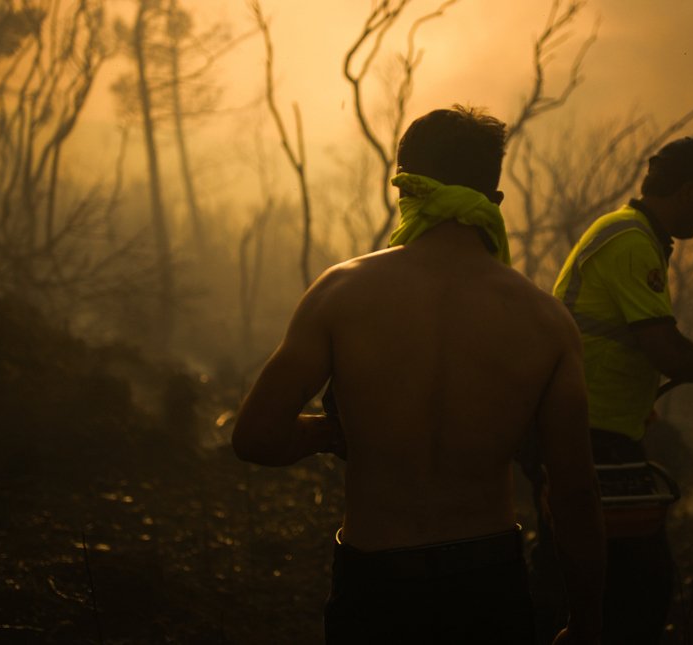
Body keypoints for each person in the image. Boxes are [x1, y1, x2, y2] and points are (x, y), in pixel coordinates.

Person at [232, 105, 606, 645]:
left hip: (376, 586)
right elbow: (574, 491)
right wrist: (588, 622)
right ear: (494, 200)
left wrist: (334, 433)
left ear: (405, 188)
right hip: (488, 586)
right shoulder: (545, 321)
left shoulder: (342, 293)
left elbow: (257, 437)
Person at [529, 137, 693, 644]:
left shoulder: (632, 236)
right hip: (589, 435)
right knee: (632, 588)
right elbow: (665, 350)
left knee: (591, 577)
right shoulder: (631, 241)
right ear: (689, 189)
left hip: (597, 431)